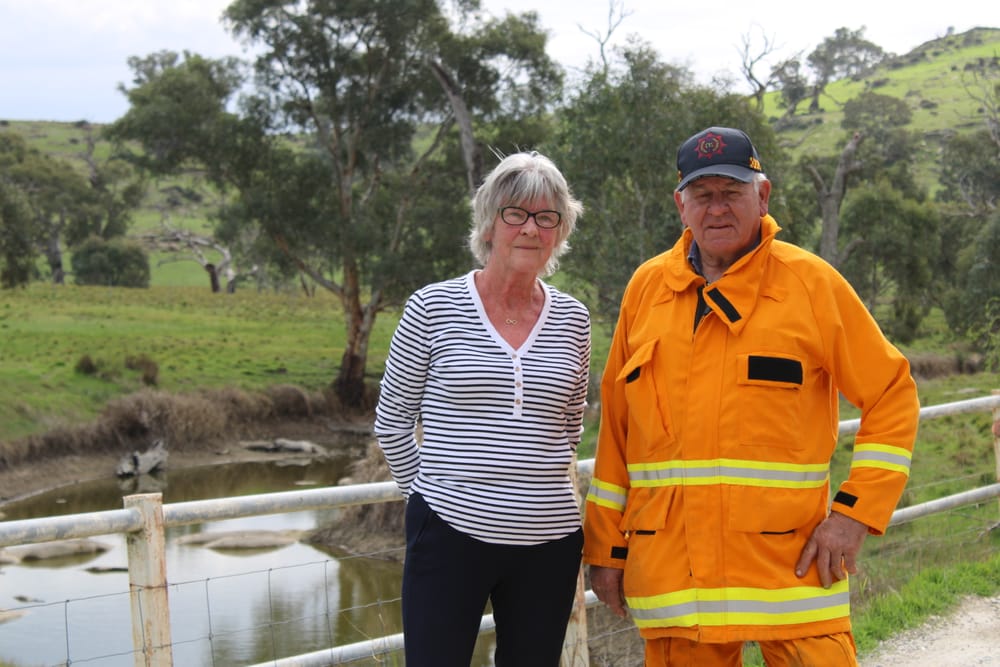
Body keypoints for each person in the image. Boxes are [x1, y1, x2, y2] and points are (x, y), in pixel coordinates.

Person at [583, 126, 920, 666]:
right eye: (702, 195)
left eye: (731, 192)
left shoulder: (811, 283)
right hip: (678, 587)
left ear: (762, 197)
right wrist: (606, 548)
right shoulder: (645, 290)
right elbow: (617, 434)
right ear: (681, 206)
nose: (717, 208)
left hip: (791, 576)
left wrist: (853, 516)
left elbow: (892, 394)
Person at [374, 150, 591, 666]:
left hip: (549, 543)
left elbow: (570, 427)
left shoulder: (574, 319)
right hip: (448, 536)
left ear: (561, 230)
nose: (530, 228)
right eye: (515, 214)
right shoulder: (432, 307)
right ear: (489, 223)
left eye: (546, 217)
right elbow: (392, 420)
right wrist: (430, 498)